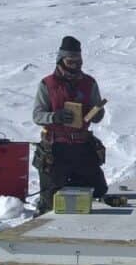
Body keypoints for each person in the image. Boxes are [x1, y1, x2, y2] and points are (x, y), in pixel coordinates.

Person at [31, 36, 108, 214]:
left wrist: (97, 114)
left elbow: (97, 112)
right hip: (56, 148)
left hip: (82, 147)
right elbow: (37, 115)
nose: (76, 65)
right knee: (51, 201)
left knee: (96, 192)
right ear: (61, 60)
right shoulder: (47, 84)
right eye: (71, 61)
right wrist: (55, 117)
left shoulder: (89, 83)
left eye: (78, 61)